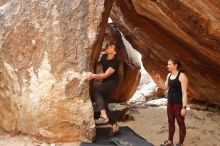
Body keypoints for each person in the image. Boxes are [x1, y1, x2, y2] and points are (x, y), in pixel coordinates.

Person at [85, 41, 120, 135]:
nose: (109, 47)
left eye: (112, 47)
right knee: (104, 103)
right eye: (110, 46)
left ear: (115, 52)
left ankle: (103, 114)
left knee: (97, 91)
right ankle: (114, 126)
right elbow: (99, 66)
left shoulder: (116, 61)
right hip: (105, 82)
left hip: (112, 82)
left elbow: (105, 75)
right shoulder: (104, 57)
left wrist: (93, 76)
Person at [154, 58, 188, 146]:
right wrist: (159, 79)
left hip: (178, 104)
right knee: (170, 122)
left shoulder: (182, 76)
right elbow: (165, 87)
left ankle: (180, 143)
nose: (167, 66)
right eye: (167, 64)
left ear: (175, 65)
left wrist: (184, 108)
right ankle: (170, 141)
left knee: (180, 122)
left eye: (169, 64)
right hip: (170, 103)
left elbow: (184, 93)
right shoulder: (169, 75)